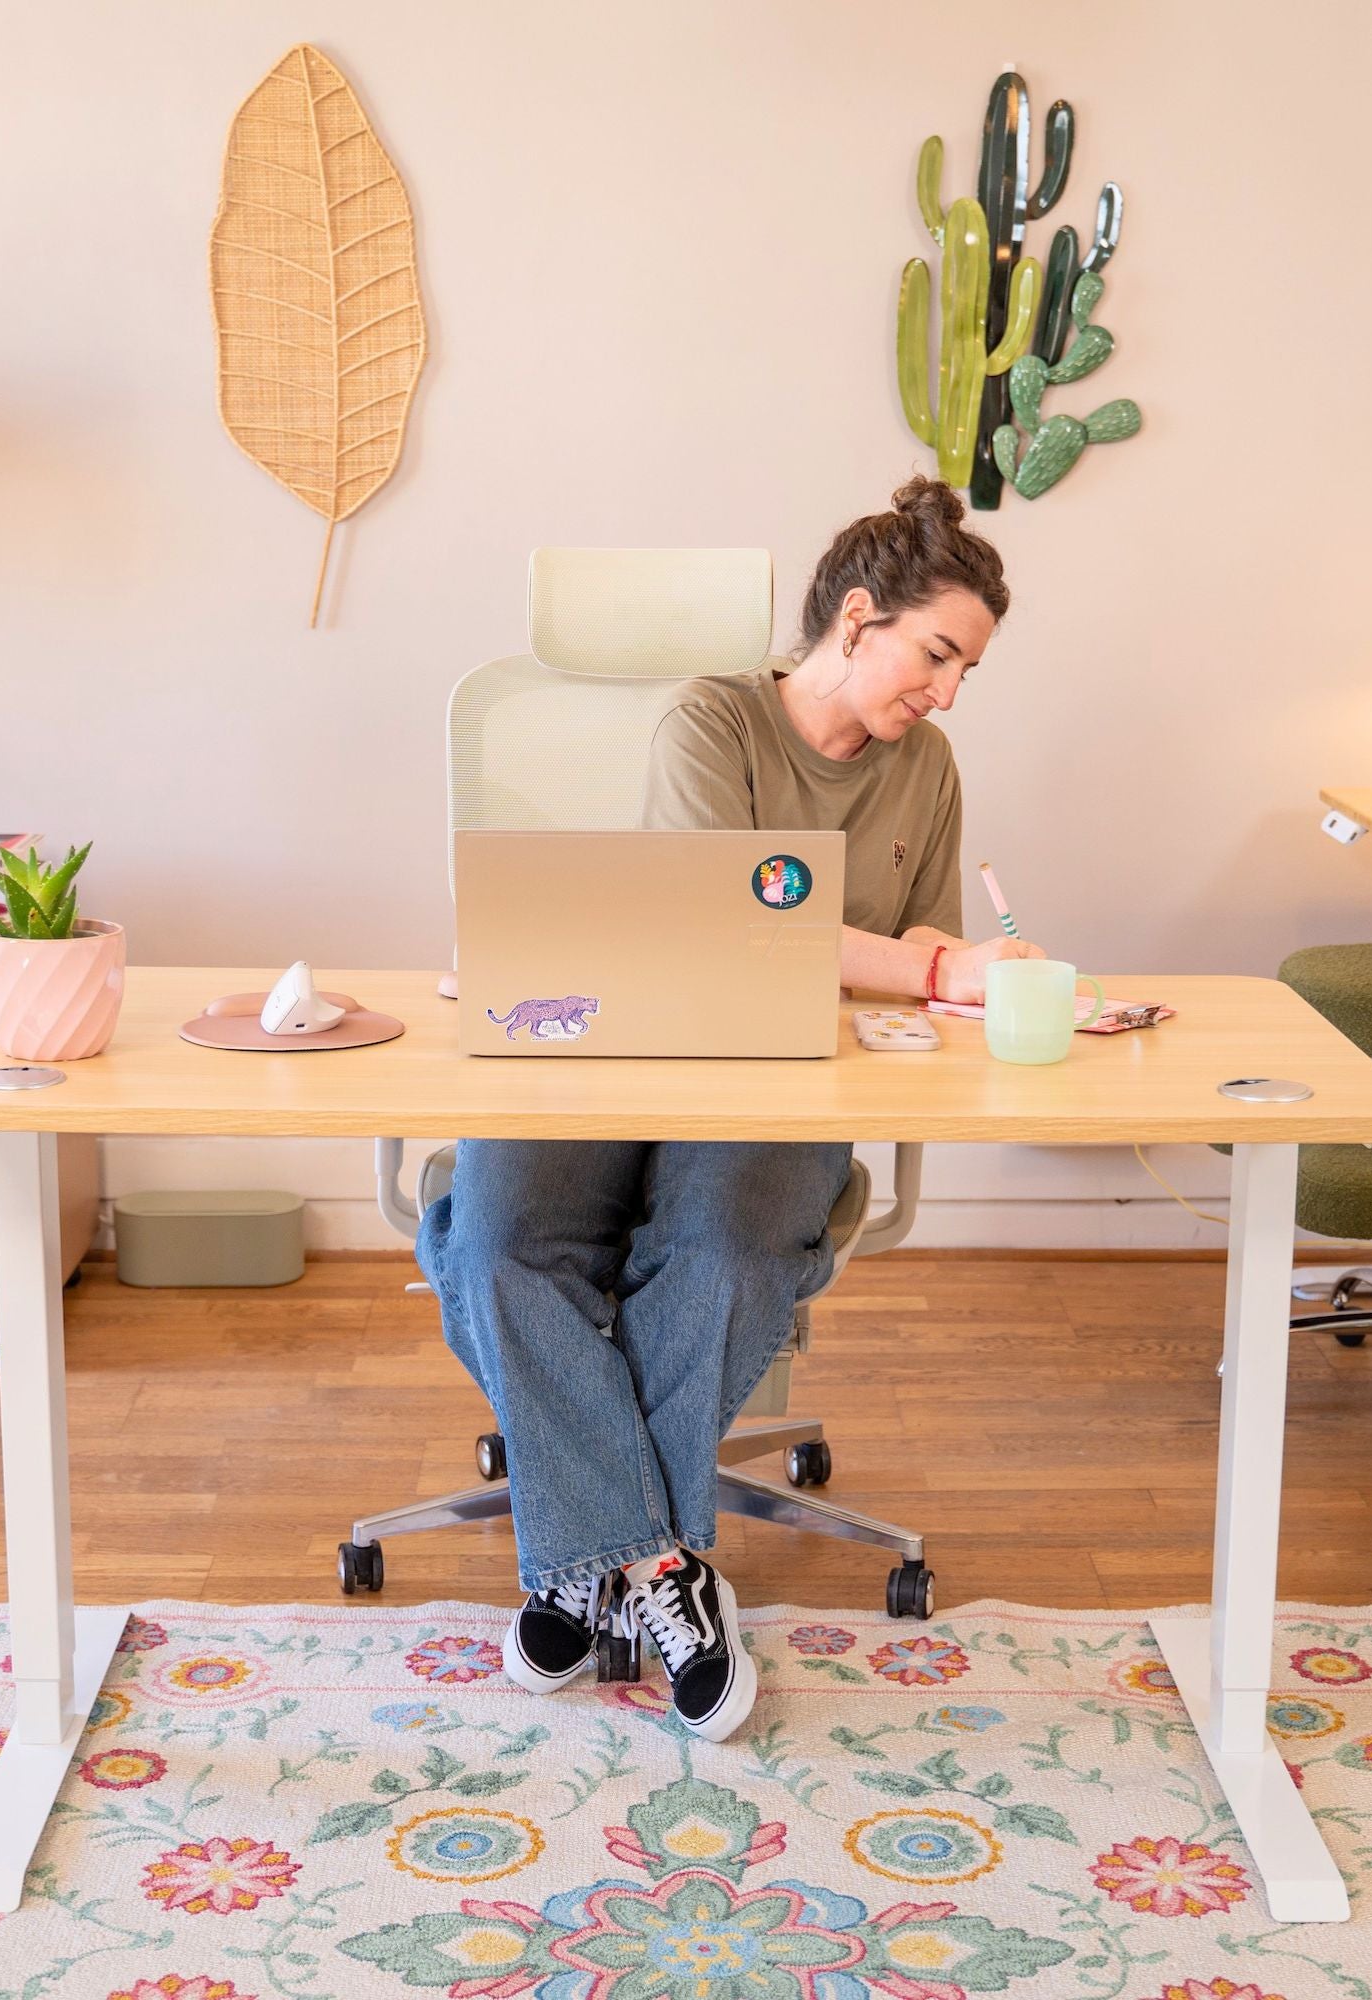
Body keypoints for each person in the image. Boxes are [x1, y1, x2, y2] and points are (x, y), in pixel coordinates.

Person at [416, 476, 1046, 1741]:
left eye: (967, 668)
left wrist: (955, 967)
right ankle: (655, 1562)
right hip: (612, 1049)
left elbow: (922, 946)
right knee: (491, 1239)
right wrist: (921, 962)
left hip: (778, 1080)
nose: (947, 689)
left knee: (721, 1246)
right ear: (856, 616)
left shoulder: (924, 770)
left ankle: (584, 1558)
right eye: (936, 652)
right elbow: (747, 920)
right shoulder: (709, 719)